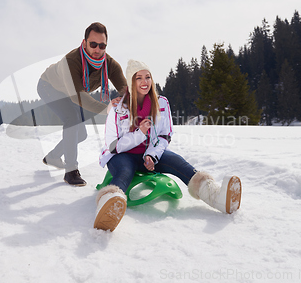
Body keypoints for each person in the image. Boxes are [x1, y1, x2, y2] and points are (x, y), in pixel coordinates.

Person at [93, 59, 242, 231]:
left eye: (147, 77)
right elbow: (113, 146)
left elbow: (164, 136)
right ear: (131, 81)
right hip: (122, 155)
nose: (144, 82)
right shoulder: (118, 108)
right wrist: (139, 134)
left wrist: (151, 155)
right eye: (138, 78)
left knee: (179, 163)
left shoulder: (161, 103)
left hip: (149, 153)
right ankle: (107, 208)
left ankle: (217, 197)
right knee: (124, 172)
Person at [37, 22, 127, 186]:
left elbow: (125, 92)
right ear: (84, 42)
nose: (97, 49)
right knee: (71, 119)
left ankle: (53, 157)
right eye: (93, 44)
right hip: (49, 87)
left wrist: (140, 105)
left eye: (102, 45)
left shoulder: (110, 65)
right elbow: (79, 97)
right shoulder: (71, 61)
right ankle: (71, 171)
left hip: (70, 94)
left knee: (81, 134)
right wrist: (106, 109)